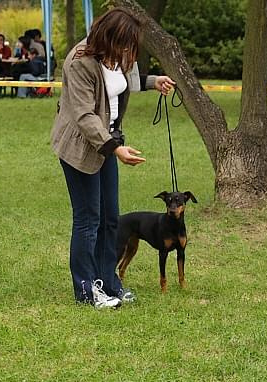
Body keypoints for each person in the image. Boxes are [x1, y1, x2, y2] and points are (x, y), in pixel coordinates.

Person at [50, 7, 175, 309]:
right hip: (81, 146)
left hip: (107, 142)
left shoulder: (116, 55)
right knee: (88, 219)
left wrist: (152, 80)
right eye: (125, 44)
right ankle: (85, 290)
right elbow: (83, 114)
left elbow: (121, 83)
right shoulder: (79, 62)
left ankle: (107, 281)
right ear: (109, 37)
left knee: (110, 218)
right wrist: (115, 149)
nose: (129, 51)